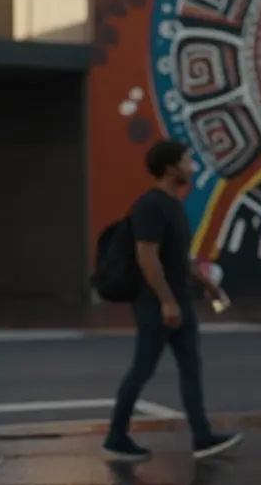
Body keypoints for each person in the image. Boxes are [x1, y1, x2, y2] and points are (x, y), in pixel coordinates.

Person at [104, 139, 243, 462]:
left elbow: (180, 258)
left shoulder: (173, 205)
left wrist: (207, 286)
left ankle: (203, 436)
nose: (191, 165)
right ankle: (115, 436)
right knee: (142, 368)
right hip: (156, 304)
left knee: (190, 367)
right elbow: (147, 257)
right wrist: (166, 302)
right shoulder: (150, 205)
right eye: (185, 160)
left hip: (177, 300)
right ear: (170, 168)